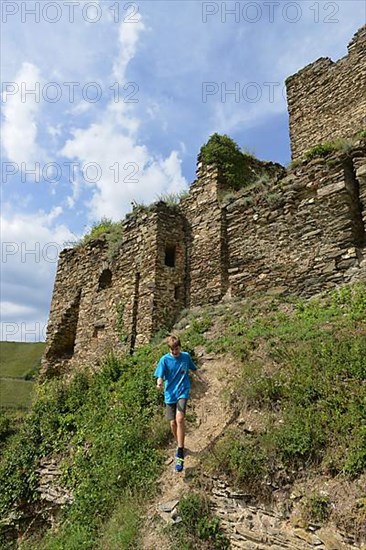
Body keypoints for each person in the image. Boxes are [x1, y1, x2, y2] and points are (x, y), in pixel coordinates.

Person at [155, 334, 205, 473]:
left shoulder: (185, 356)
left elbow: (193, 369)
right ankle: (179, 444)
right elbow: (160, 375)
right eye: (172, 350)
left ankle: (180, 452)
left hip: (183, 391)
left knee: (180, 419)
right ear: (169, 349)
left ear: (179, 347)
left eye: (176, 349)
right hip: (170, 394)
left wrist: (203, 379)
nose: (175, 352)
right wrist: (159, 383)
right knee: (172, 424)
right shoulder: (164, 360)